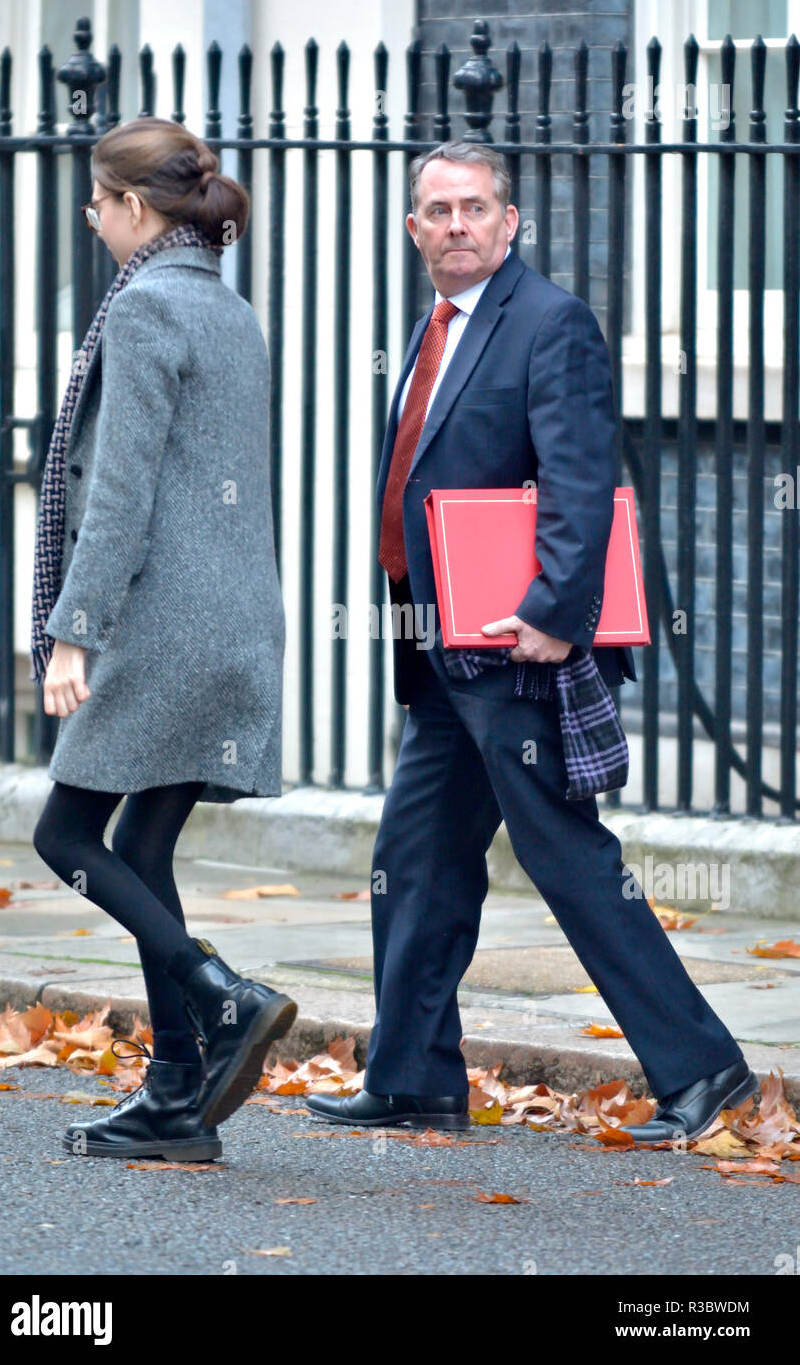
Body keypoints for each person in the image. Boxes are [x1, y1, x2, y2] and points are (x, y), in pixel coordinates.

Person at [306, 140, 758, 1143]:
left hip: (515, 648)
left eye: (475, 207)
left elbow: (577, 477)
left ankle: (703, 1071)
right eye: (438, 209)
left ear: (510, 223)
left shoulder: (548, 323)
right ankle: (413, 1074)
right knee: (415, 860)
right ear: (412, 228)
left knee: (567, 858)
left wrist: (557, 613)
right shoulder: (434, 328)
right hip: (438, 653)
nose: (457, 223)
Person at [30, 116, 297, 1162]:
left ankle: (221, 994)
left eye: (98, 202)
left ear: (135, 208)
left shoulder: (142, 311)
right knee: (138, 847)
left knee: (64, 839)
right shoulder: (228, 308)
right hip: (234, 621)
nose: (92, 220)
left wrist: (71, 633)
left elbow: (123, 493)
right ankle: (176, 1095)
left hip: (164, 625)